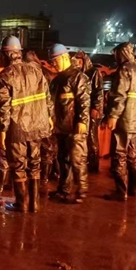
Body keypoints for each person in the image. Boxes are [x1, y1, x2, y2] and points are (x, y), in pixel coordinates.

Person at [0, 36, 53, 213]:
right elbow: (47, 98)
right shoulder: (36, 71)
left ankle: (22, 203)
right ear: (19, 53)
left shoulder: (5, 75)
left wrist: (3, 130)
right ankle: (34, 204)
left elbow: (3, 107)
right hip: (38, 125)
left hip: (17, 129)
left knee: (18, 166)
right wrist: (49, 117)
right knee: (34, 164)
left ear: (5, 54)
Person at [103, 42, 136, 201]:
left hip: (124, 120)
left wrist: (113, 115)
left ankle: (120, 192)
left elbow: (120, 95)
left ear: (121, 54)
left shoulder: (124, 70)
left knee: (119, 156)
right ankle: (133, 188)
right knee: (133, 156)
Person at [48, 46, 91, 204]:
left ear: (65, 57)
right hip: (61, 127)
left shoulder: (78, 77)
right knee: (63, 158)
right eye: (52, 61)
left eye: (55, 60)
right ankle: (64, 189)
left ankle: (82, 191)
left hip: (75, 126)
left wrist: (82, 120)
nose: (53, 63)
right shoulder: (57, 80)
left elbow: (84, 100)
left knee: (77, 159)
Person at [26, 49, 59, 188]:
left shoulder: (31, 73)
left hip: (36, 116)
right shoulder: (44, 72)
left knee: (40, 149)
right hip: (46, 116)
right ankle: (45, 178)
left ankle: (41, 179)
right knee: (48, 148)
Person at [72, 51, 104, 172]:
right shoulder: (76, 74)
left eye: (80, 61)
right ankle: (83, 163)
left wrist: (96, 107)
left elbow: (99, 91)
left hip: (91, 110)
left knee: (91, 137)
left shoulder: (93, 72)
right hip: (81, 109)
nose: (78, 63)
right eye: (76, 60)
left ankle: (93, 165)